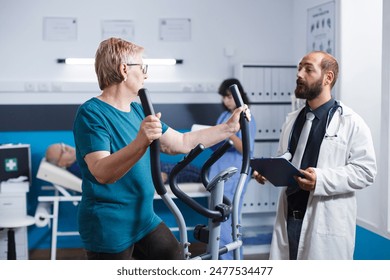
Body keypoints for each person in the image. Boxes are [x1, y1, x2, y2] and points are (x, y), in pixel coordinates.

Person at [72, 37, 250, 260]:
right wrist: (141, 141)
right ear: (124, 69)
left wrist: (228, 127)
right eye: (143, 67)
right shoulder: (92, 113)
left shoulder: (139, 112)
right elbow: (101, 171)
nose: (146, 74)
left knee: (173, 256)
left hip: (143, 218)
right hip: (110, 224)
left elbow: (182, 143)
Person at [253, 51, 377, 260]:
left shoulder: (351, 122)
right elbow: (286, 157)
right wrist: (269, 170)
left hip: (325, 222)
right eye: (299, 68)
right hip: (290, 218)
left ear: (328, 78)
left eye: (308, 69)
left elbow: (366, 171)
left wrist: (321, 179)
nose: (299, 74)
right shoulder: (292, 120)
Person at [208, 78, 257, 260]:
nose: (226, 101)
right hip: (219, 174)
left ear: (239, 96)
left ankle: (233, 265)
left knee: (228, 225)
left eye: (229, 96)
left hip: (234, 175)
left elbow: (246, 148)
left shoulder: (246, 117)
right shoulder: (224, 116)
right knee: (218, 224)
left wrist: (227, 132)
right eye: (224, 97)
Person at [45, 143, 201, 184]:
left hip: (146, 166)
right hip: (151, 173)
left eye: (62, 145)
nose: (67, 147)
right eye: (62, 151)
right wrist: (152, 179)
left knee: (195, 171)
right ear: (60, 164)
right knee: (195, 174)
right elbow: (114, 177)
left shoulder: (81, 159)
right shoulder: (80, 168)